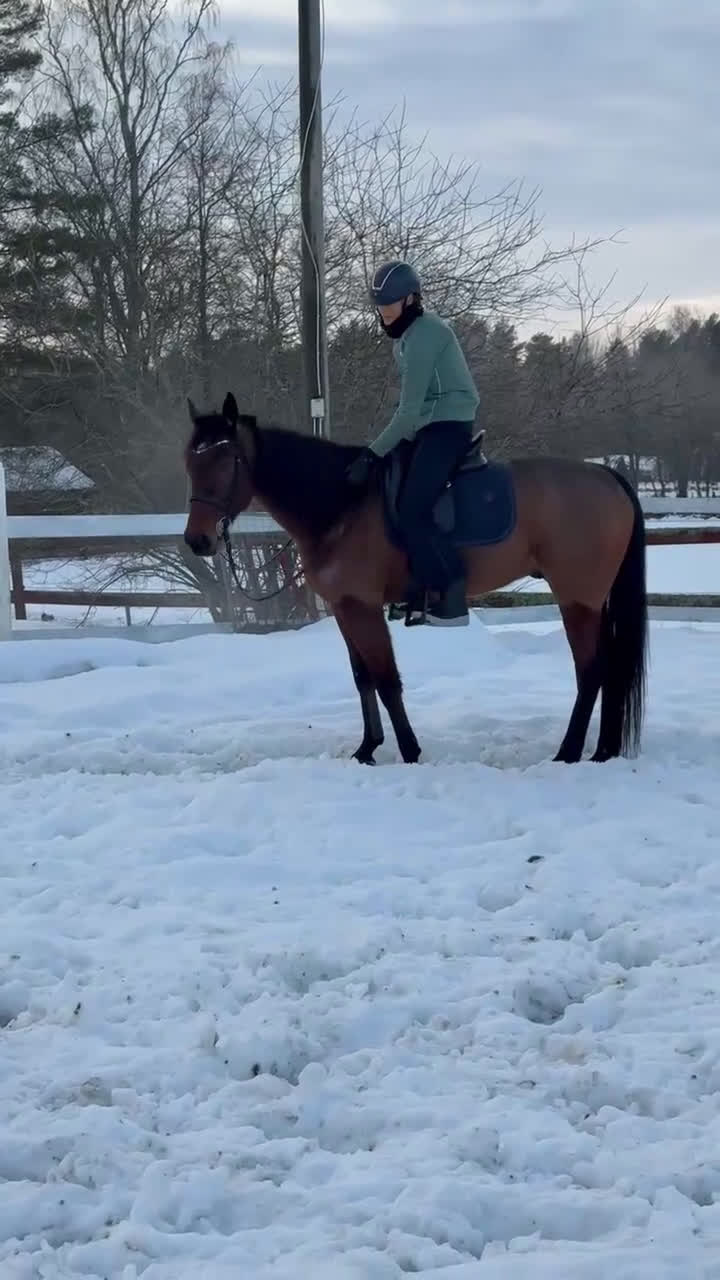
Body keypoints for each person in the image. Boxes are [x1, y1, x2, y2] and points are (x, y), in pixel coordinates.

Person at [347, 260, 480, 626]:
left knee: (413, 508)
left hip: (448, 425)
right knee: (389, 495)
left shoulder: (426, 334)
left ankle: (451, 591)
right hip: (427, 425)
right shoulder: (405, 341)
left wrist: (372, 454)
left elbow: (407, 413)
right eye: (379, 305)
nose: (383, 313)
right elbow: (412, 411)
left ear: (410, 301)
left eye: (389, 304)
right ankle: (412, 590)